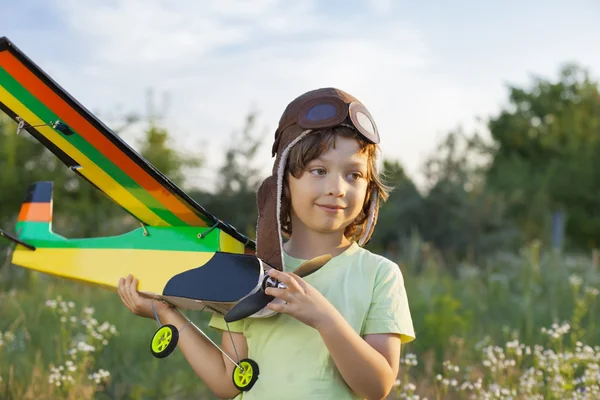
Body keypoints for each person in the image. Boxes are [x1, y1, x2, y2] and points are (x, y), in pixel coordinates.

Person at [117, 87, 415, 400]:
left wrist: (324, 319)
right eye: (319, 170)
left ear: (369, 188)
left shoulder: (380, 274)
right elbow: (227, 381)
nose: (337, 188)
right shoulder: (246, 271)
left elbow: (377, 386)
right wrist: (166, 314)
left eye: (354, 174)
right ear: (284, 180)